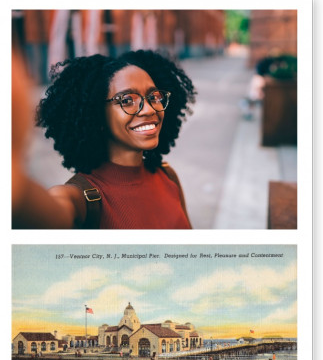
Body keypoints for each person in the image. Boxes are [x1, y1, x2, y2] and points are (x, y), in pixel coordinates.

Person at [12, 49, 196, 229]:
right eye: (127, 100)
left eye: (154, 96)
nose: (149, 109)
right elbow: (42, 214)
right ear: (97, 114)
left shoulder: (168, 176)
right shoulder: (79, 199)